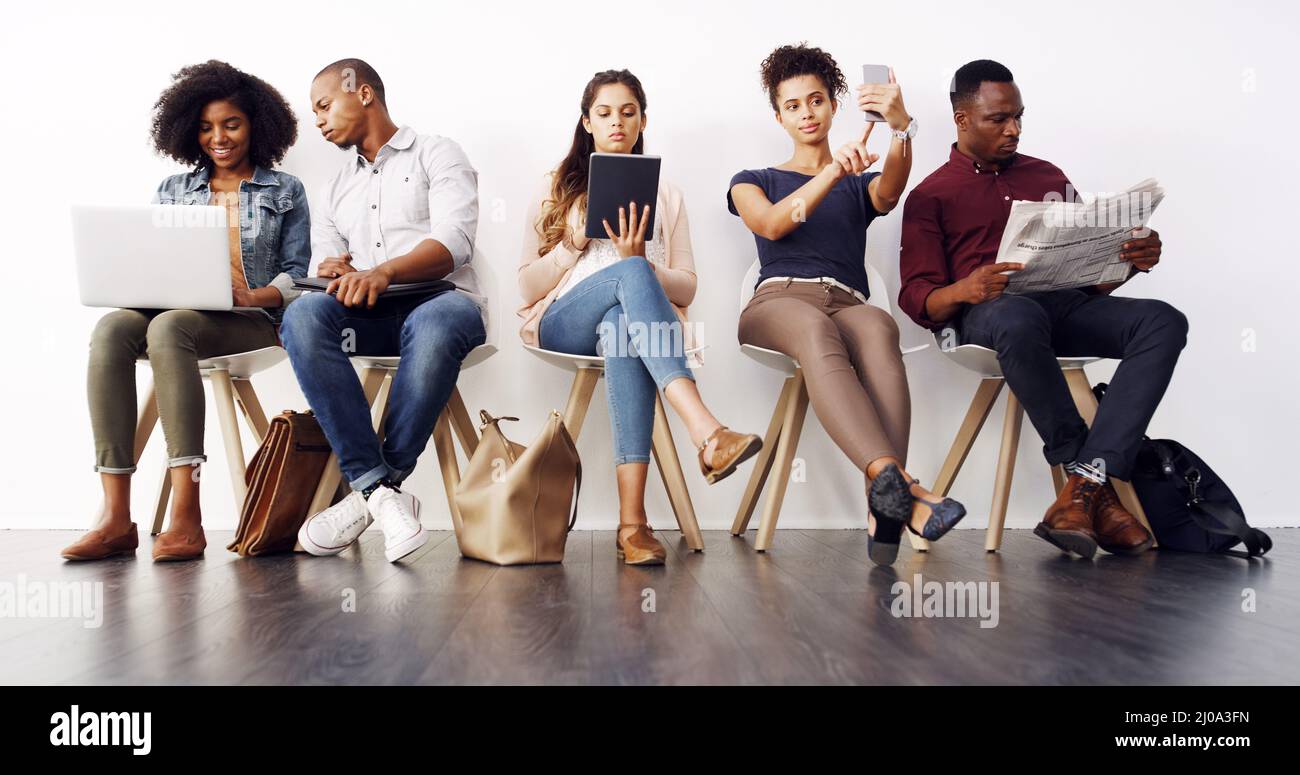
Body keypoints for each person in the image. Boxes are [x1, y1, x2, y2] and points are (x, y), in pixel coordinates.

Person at [899, 59, 1187, 559]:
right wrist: (968, 288)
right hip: (990, 316)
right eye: (998, 119)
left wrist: (1130, 262)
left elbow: (1086, 276)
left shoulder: (1047, 175)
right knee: (1018, 314)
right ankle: (1093, 486)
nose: (1013, 130)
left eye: (1018, 117)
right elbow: (917, 297)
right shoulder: (931, 195)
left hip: (1065, 306)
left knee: (1162, 320)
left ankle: (1084, 485)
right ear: (962, 120)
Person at [728, 43, 966, 566]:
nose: (806, 113)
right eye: (793, 106)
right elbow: (772, 223)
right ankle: (897, 487)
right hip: (779, 302)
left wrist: (901, 129)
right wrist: (832, 172)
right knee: (816, 329)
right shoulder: (753, 180)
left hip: (848, 302)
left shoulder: (858, 184)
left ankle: (886, 500)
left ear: (835, 105)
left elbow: (891, 191)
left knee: (879, 325)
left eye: (816, 100)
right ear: (779, 116)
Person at [64, 60, 309, 562]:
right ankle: (114, 518)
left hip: (253, 322)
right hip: (175, 313)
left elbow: (298, 275)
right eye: (204, 127)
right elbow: (153, 261)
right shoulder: (173, 191)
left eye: (231, 124)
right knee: (112, 327)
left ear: (256, 125)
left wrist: (254, 296)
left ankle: (187, 515)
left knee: (171, 329)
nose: (217, 137)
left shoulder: (285, 191)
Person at [519, 69, 762, 565]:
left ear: (642, 120)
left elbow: (688, 284)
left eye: (628, 113)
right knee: (628, 277)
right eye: (604, 113)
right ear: (586, 122)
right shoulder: (555, 185)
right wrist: (577, 242)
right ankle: (706, 431)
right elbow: (526, 285)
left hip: (634, 330)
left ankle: (633, 526)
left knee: (622, 327)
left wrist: (644, 263)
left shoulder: (666, 194)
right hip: (563, 322)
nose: (616, 123)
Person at [284, 58, 486, 563]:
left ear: (365, 92)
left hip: (442, 300)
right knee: (302, 317)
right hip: (369, 316)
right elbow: (325, 260)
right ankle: (383, 493)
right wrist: (331, 270)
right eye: (314, 113)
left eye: (325, 105)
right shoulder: (335, 188)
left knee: (435, 322)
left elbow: (454, 243)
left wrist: (385, 271)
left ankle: (371, 490)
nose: (320, 121)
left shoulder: (437, 154)